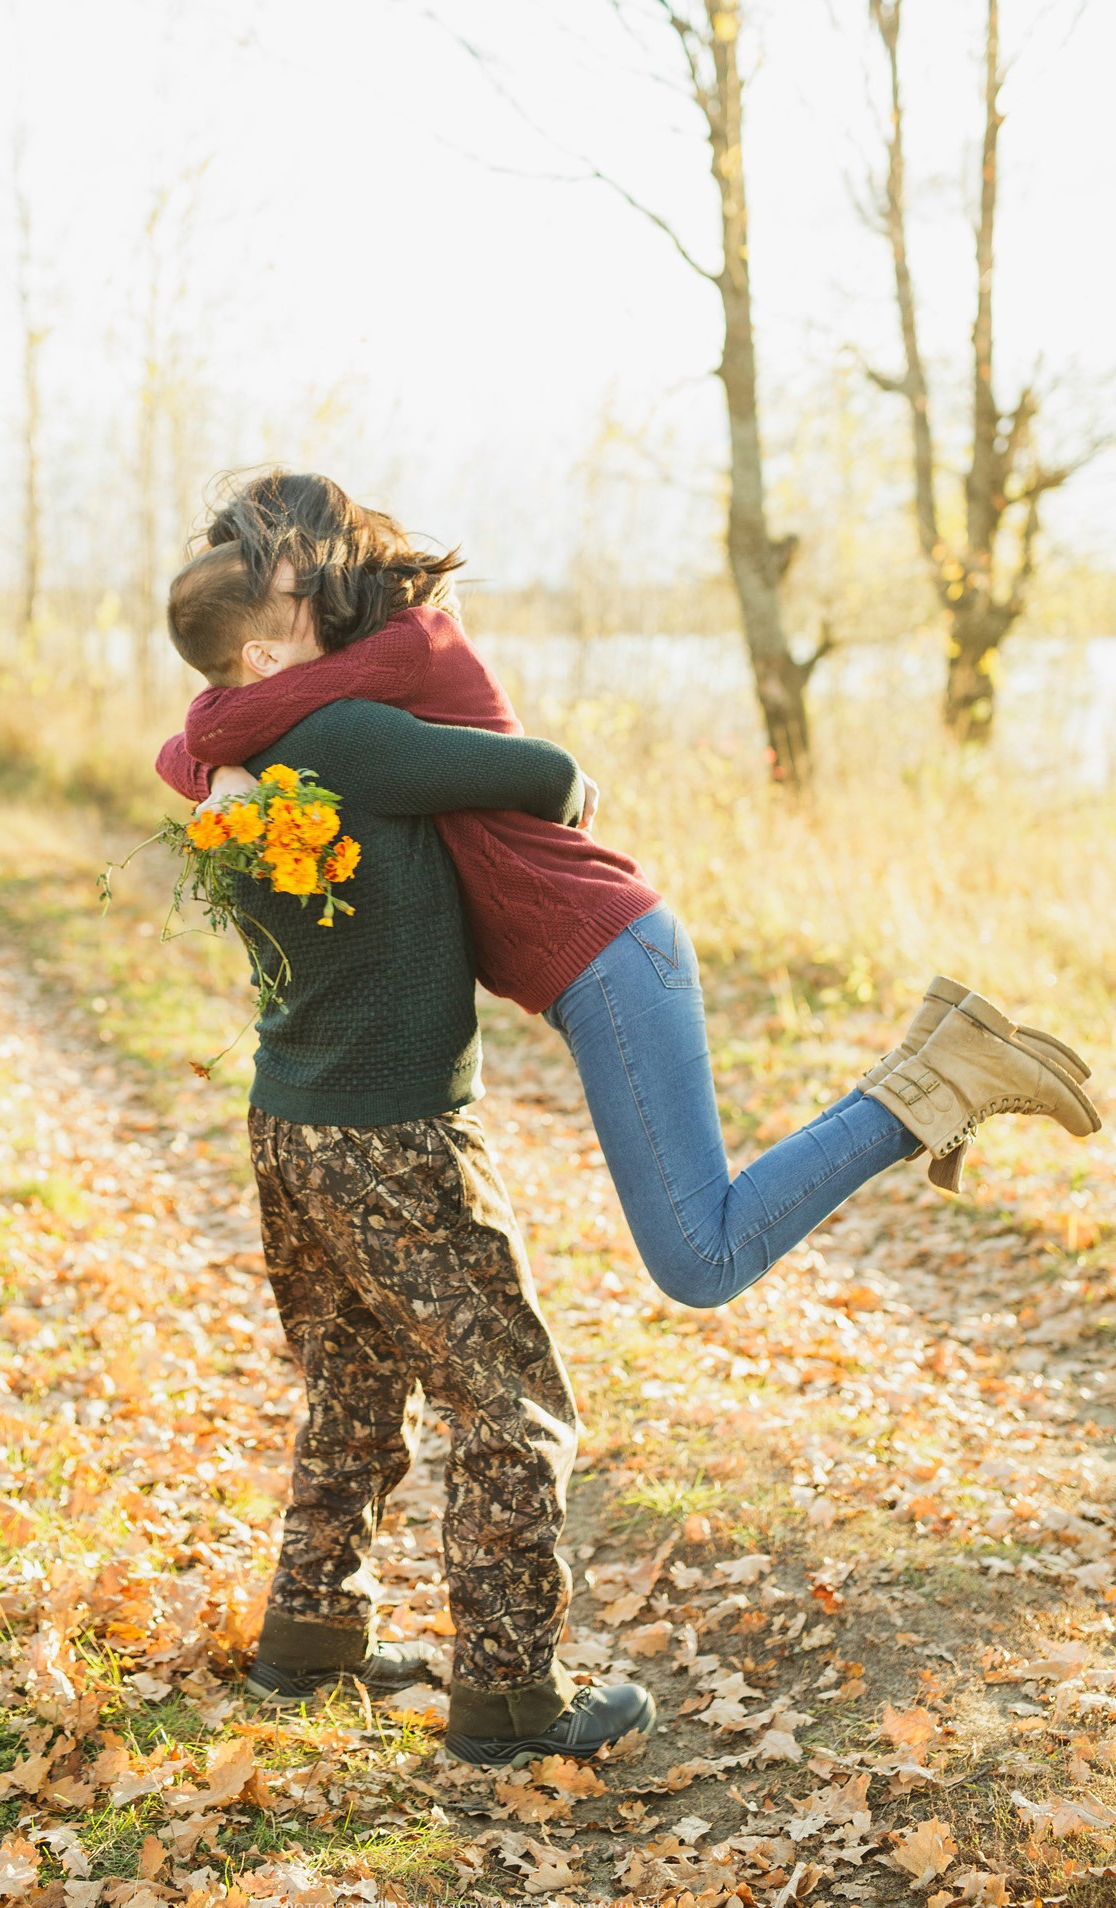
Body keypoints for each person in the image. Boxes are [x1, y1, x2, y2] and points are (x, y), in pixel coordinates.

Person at [158, 469, 1101, 1315]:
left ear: (323, 575)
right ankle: (946, 1052)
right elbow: (214, 735)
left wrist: (214, 768)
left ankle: (930, 1086)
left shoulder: (400, 652)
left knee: (700, 1257)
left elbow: (219, 723)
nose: (268, 591)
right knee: (699, 1247)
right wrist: (216, 773)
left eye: (277, 577)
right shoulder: (347, 685)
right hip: (598, 959)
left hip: (610, 951)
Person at [158, 554, 656, 1765]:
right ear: (266, 656)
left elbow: (193, 744)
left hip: (291, 1123)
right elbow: (541, 775)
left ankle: (310, 1637)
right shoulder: (345, 734)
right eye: (299, 608)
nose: (330, 616)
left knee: (356, 1380)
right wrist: (566, 789)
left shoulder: (229, 760)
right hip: (397, 1131)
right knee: (510, 1402)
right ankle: (509, 1698)